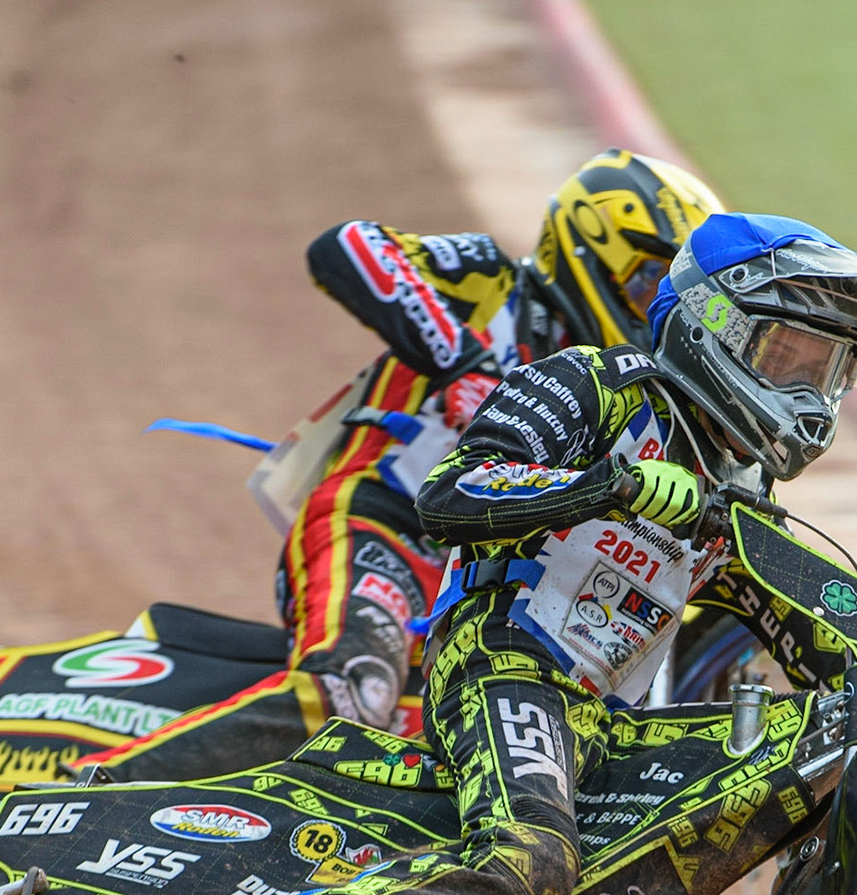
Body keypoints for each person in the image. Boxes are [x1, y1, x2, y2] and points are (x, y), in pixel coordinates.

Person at [100, 211, 857, 895]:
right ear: (719, 324)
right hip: (502, 660)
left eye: (834, 369)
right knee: (523, 869)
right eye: (794, 358)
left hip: (606, 719)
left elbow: (817, 640)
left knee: (837, 758)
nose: (810, 391)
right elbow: (455, 492)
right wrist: (605, 484)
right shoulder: (599, 385)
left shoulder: (742, 500)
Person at [76, 149, 724, 783]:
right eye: (645, 282)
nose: (652, 305)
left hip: (492, 578)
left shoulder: (639, 392)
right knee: (351, 693)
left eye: (669, 292)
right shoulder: (489, 278)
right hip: (383, 520)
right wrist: (461, 361)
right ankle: (86, 792)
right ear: (584, 252)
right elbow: (348, 246)